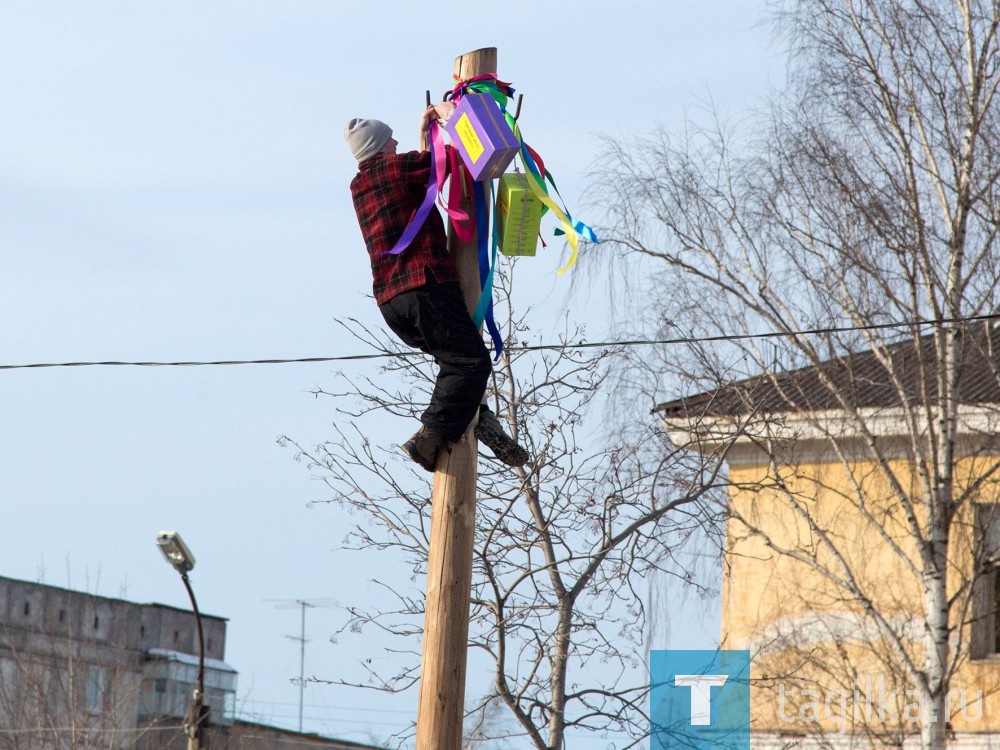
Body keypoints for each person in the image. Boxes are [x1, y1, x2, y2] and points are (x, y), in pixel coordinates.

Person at [344, 103, 529, 473]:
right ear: (380, 147)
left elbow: (422, 171)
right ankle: (430, 435)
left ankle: (481, 419)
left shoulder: (361, 184)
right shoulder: (396, 167)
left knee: (455, 359)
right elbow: (450, 161)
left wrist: (421, 135)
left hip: (392, 302)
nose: (396, 141)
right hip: (424, 285)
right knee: (470, 360)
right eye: (390, 138)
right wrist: (452, 116)